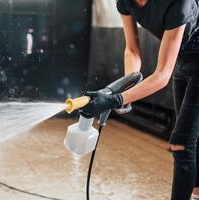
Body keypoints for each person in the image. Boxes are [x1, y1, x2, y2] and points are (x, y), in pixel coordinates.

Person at [80, 0, 199, 199]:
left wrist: (117, 99)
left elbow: (162, 75)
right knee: (192, 138)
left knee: (181, 143)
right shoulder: (125, 2)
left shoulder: (179, 2)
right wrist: (127, 88)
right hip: (182, 60)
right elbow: (132, 51)